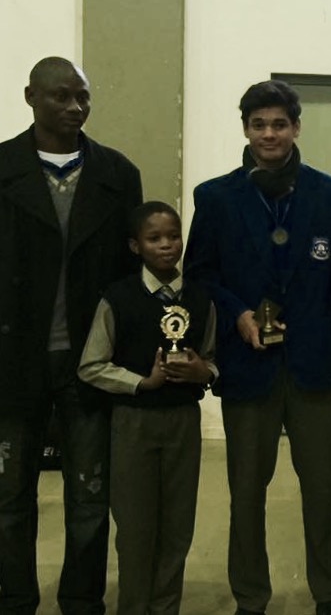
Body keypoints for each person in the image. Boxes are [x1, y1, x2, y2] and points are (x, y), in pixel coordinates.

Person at [184, 79, 331, 615]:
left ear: (296, 127)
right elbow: (200, 275)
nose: (269, 134)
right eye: (258, 124)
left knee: (322, 491)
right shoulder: (215, 198)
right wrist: (237, 312)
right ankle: (250, 598)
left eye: (279, 124)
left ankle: (329, 595)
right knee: (246, 493)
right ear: (245, 129)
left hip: (317, 369)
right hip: (248, 365)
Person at [0, 57, 142, 614]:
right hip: (13, 359)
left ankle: (82, 601)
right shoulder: (3, 168)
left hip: (90, 360)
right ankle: (14, 598)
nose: (75, 107)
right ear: (30, 96)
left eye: (82, 96)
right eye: (61, 96)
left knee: (89, 494)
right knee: (10, 496)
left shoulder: (117, 174)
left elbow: (130, 277)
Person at [77, 201, 217, 615]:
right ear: (135, 246)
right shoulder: (118, 297)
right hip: (133, 424)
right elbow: (91, 365)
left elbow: (212, 358)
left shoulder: (200, 298)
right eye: (154, 238)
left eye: (173, 236)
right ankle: (134, 607)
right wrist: (142, 383)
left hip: (183, 422)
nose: (167, 245)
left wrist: (203, 372)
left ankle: (166, 608)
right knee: (136, 529)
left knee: (177, 527)